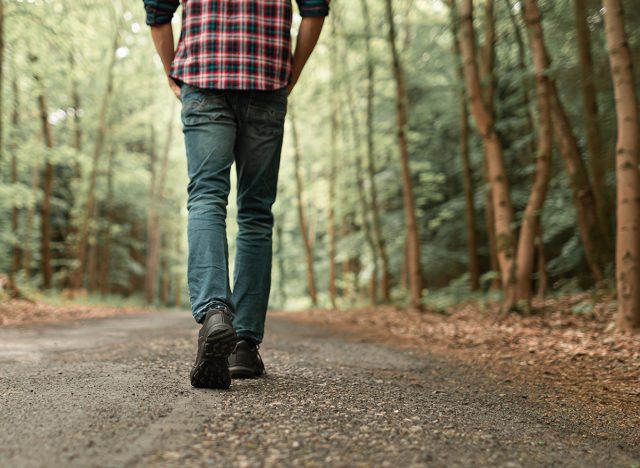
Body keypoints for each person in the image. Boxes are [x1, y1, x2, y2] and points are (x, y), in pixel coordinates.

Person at [143, 0, 329, 389]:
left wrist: (170, 72)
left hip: (203, 74)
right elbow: (314, 9)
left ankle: (214, 313)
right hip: (267, 74)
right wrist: (292, 70)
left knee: (207, 197)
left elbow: (158, 11)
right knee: (256, 212)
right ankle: (243, 343)